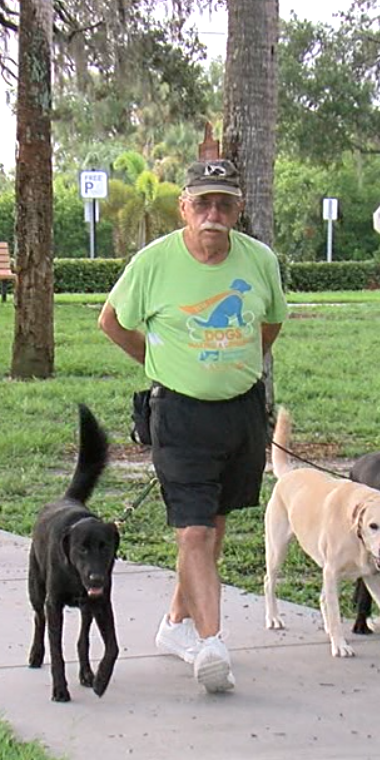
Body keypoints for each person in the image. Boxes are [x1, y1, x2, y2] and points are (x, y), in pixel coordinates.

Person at [99, 159, 288, 694]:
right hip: (178, 413)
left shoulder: (260, 261)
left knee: (216, 524)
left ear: (238, 209)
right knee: (194, 530)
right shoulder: (154, 263)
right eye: (202, 202)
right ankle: (211, 644)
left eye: (224, 203)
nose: (213, 213)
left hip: (241, 412)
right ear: (183, 206)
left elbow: (268, 324)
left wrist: (235, 368)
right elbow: (111, 321)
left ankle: (174, 625)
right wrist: (161, 363)